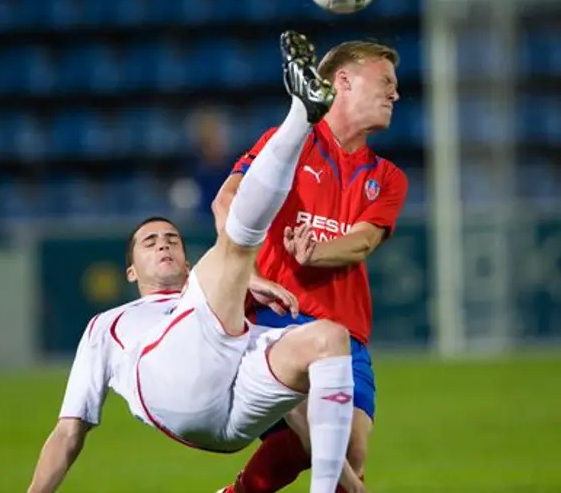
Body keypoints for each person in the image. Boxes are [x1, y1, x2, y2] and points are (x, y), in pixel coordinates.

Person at [27, 32, 360, 493]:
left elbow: (301, 414)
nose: (163, 245)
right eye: (149, 243)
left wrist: (350, 484)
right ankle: (302, 113)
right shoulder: (108, 326)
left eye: (171, 239)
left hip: (232, 410)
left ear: (185, 264)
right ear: (131, 272)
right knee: (233, 248)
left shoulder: (217, 302)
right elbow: (69, 432)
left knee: (328, 338)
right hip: (172, 388)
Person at [213, 40, 408, 493]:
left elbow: (363, 241)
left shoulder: (388, 177)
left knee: (349, 455)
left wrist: (317, 252)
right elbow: (227, 200)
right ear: (343, 81)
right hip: (277, 319)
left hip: (347, 332)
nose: (395, 94)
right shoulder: (290, 143)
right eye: (386, 82)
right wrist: (244, 271)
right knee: (327, 447)